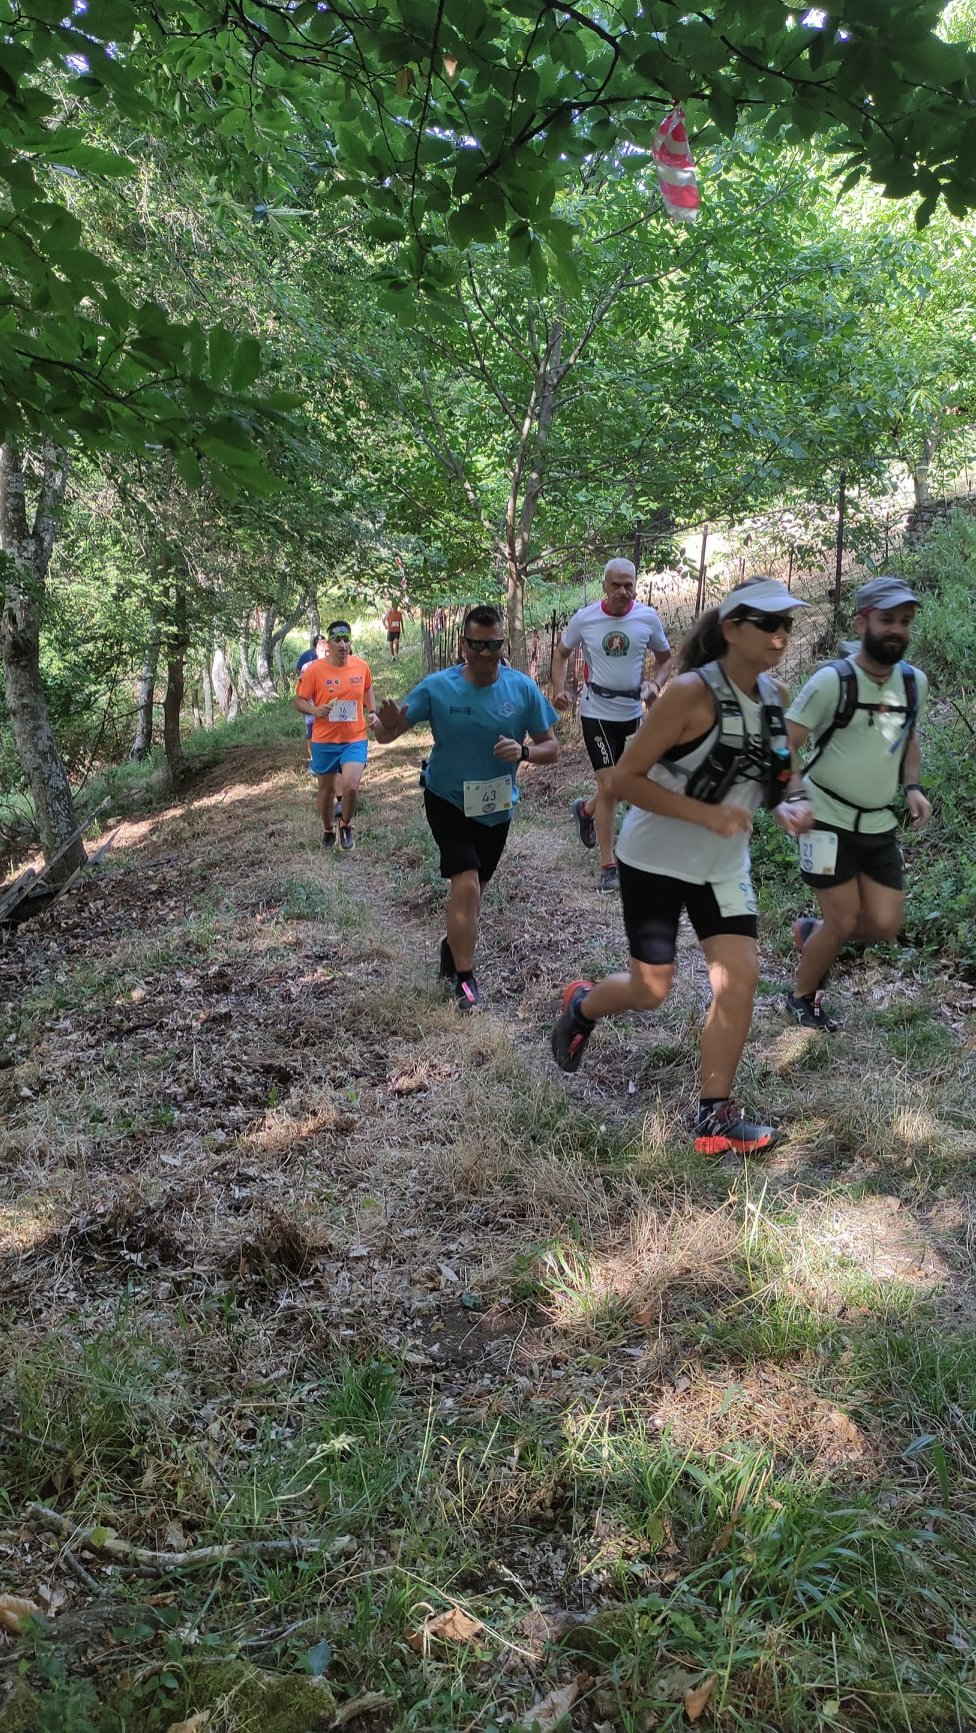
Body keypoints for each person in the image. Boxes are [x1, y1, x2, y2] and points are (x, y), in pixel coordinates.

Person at [550, 577, 814, 1156]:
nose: (779, 636)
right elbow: (622, 780)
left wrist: (789, 801)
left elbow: (776, 773)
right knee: (651, 990)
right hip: (655, 860)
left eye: (786, 626)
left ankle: (714, 1114)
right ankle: (582, 1006)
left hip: (722, 867)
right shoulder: (690, 693)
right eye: (768, 624)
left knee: (739, 979)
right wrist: (704, 813)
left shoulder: (774, 694)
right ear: (732, 629)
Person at [373, 605, 559, 1011]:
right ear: (462, 644)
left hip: (496, 806)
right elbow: (389, 734)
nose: (484, 653)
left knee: (473, 895)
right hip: (447, 798)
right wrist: (385, 723)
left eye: (492, 645)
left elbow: (552, 747)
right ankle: (465, 979)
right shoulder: (438, 687)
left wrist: (525, 750)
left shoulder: (522, 689)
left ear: (501, 644)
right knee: (467, 883)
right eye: (476, 644)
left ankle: (451, 946)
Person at [784, 575, 931, 1030]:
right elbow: (784, 743)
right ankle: (801, 997)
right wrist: (794, 796)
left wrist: (912, 787)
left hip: (877, 824)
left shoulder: (912, 683)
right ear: (862, 621)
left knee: (886, 923)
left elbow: (907, 738)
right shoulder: (833, 681)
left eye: (904, 622)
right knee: (845, 919)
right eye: (887, 619)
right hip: (824, 818)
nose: (897, 630)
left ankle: (815, 934)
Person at [551, 558, 672, 893]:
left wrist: (656, 686)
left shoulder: (647, 617)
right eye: (616, 584)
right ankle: (608, 866)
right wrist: (558, 689)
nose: (623, 591)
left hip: (632, 713)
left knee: (619, 786)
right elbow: (561, 653)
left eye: (629, 584)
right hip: (596, 712)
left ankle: (587, 811)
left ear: (636, 584)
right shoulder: (586, 618)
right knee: (609, 786)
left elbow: (666, 659)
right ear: (605, 585)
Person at [294, 621, 377, 851]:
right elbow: (298, 700)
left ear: (351, 642)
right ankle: (328, 830)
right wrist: (315, 710)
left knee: (351, 785)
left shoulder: (361, 666)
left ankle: (345, 824)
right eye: (337, 640)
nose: (342, 644)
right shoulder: (314, 670)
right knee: (326, 791)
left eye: (346, 640)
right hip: (325, 740)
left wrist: (372, 711)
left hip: (355, 738)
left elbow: (368, 688)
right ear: (328, 644)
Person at [295, 634, 326, 758]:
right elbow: (298, 671)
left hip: (326, 704)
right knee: (311, 731)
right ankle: (313, 758)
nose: (325, 653)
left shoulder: (333, 663)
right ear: (316, 649)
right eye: (322, 651)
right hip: (310, 704)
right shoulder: (307, 661)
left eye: (327, 650)